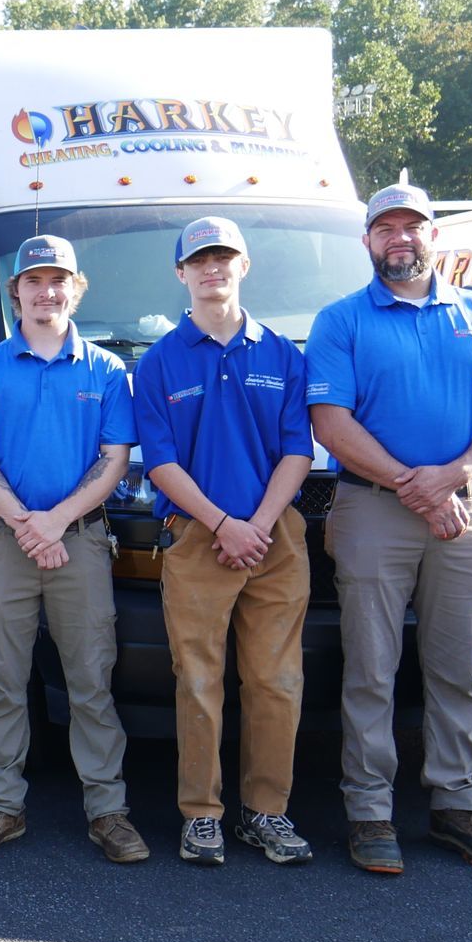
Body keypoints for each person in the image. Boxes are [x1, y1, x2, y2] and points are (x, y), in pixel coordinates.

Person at [305, 184, 472, 873]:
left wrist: (452, 473)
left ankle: (456, 802)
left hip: (463, 511)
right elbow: (330, 422)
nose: (400, 239)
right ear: (368, 241)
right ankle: (370, 811)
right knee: (371, 668)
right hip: (375, 509)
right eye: (386, 229)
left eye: (413, 226)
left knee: (456, 668)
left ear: (436, 235)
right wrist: (419, 484)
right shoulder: (341, 320)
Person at [0, 235, 148, 864]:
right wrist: (29, 526)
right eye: (34, 280)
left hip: (81, 543)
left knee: (91, 681)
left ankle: (108, 812)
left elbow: (114, 460)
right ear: (17, 292)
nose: (46, 290)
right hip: (5, 544)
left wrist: (55, 522)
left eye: (58, 279)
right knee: (4, 682)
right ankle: (1, 808)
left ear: (77, 288)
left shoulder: (107, 371)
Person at [133, 218, 314, 867]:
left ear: (244, 266)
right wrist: (223, 524)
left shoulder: (283, 354)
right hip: (196, 536)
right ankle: (201, 814)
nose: (213, 270)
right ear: (182, 273)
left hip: (275, 539)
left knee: (275, 679)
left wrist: (258, 524)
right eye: (199, 260)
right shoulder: (157, 363)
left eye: (224, 258)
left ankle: (266, 811)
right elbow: (160, 463)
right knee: (199, 679)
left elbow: (299, 447)